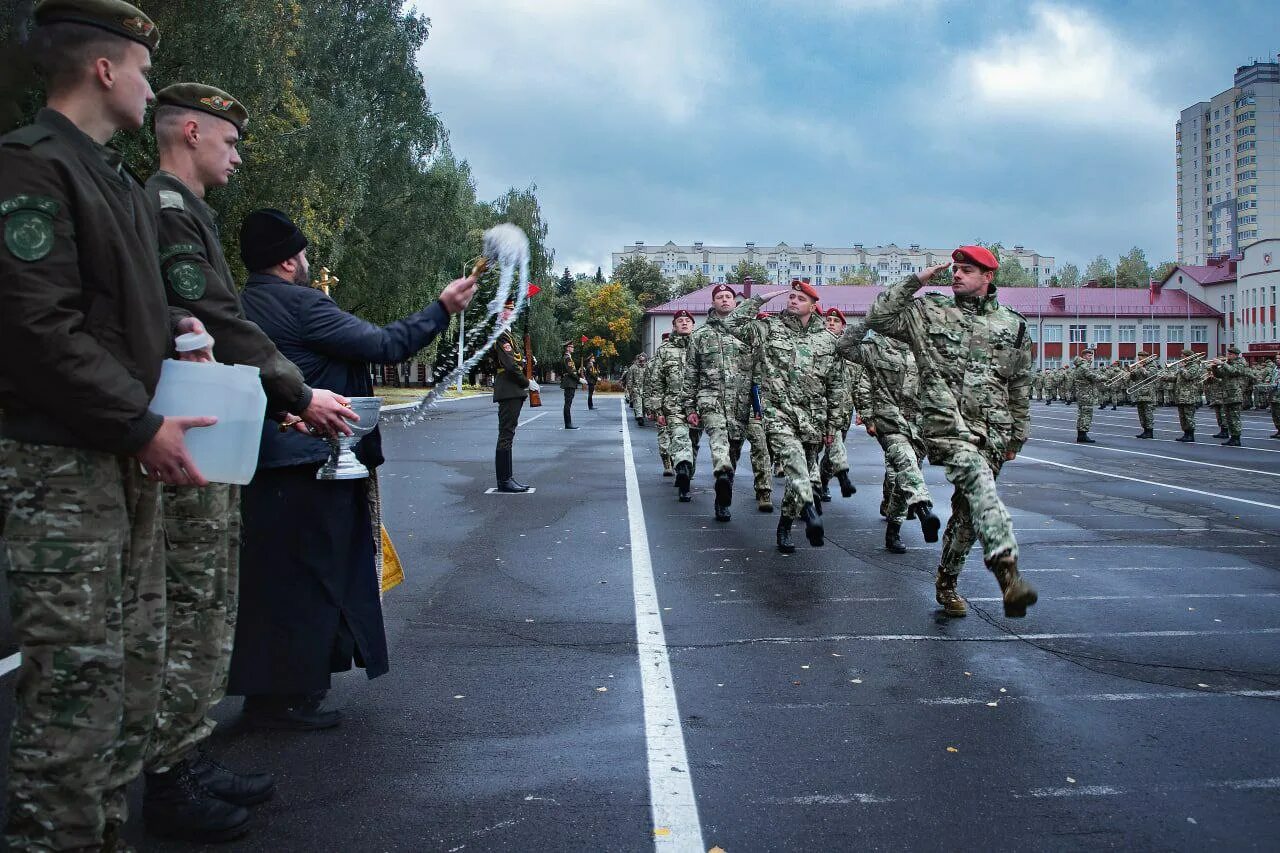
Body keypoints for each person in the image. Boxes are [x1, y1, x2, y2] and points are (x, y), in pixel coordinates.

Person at [0, 3, 223, 849]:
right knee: (70, 705)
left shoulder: (113, 181)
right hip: (64, 469)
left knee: (125, 686)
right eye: (142, 69)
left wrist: (182, 339)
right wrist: (139, 423)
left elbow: (127, 313)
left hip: (116, 460)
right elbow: (33, 328)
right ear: (104, 70)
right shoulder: (30, 167)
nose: (149, 85)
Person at [141, 82, 355, 841]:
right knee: (188, 604)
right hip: (182, 427)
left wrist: (286, 398)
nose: (236, 155)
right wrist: (300, 391)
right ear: (191, 131)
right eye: (229, 142)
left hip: (203, 419)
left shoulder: (186, 211)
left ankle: (184, 759)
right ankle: (170, 775)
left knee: (204, 602)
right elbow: (217, 322)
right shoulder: (167, 209)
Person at [228, 209, 477, 728]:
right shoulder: (303, 305)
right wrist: (442, 307)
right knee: (316, 580)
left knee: (272, 581)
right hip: (315, 463)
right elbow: (385, 346)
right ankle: (292, 697)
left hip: (265, 464)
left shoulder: (240, 305)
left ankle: (265, 693)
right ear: (289, 259)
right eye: (302, 252)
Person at [865, 246, 1036, 618]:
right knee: (980, 488)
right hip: (945, 426)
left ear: (988, 277)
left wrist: (1017, 435)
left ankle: (947, 581)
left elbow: (1020, 385)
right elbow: (878, 318)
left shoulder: (1013, 324)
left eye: (966, 270)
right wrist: (917, 280)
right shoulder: (930, 311)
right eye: (954, 269)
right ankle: (1009, 575)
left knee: (968, 515)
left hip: (993, 430)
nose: (956, 275)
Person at [724, 281, 842, 553]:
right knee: (795, 462)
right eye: (791, 296)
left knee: (797, 475)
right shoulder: (769, 328)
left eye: (800, 298)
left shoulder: (827, 340)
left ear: (813, 306)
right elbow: (732, 323)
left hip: (813, 418)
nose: (793, 301)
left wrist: (833, 425)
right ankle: (810, 511)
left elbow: (836, 385)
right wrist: (761, 299)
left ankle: (786, 523)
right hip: (777, 413)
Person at [838, 323, 940, 558]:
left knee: (902, 480)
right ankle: (924, 509)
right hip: (891, 422)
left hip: (920, 426)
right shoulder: (877, 347)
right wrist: (868, 321)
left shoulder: (927, 348)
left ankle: (893, 530)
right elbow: (844, 347)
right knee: (905, 463)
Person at [684, 285, 753, 522]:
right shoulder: (700, 335)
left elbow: (761, 371)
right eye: (719, 297)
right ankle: (722, 472)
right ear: (713, 303)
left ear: (735, 302)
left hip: (740, 403)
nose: (724, 300)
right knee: (718, 439)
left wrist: (759, 405)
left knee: (734, 449)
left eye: (728, 297)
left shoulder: (748, 332)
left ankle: (723, 497)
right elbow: (691, 373)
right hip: (710, 399)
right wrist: (690, 408)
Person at [648, 310, 702, 502]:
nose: (684, 323)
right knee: (680, 440)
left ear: (693, 325)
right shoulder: (665, 350)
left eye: (688, 321)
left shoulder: (702, 347)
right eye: (680, 321)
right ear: (674, 326)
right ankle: (683, 476)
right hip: (673, 406)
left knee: (693, 442)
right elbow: (656, 381)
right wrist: (656, 409)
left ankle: (687, 471)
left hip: (697, 406)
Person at [818, 307, 859, 503]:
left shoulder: (851, 351)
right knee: (811, 449)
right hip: (818, 410)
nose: (831, 323)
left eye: (836, 321)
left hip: (841, 412)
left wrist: (863, 412)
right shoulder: (818, 346)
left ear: (843, 326)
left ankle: (823, 480)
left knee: (832, 449)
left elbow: (860, 383)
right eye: (828, 320)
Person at [493, 299, 532, 491]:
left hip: (512, 390)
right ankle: (504, 481)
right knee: (506, 435)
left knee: (508, 433)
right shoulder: (501, 335)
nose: (511, 313)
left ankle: (508, 478)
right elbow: (509, 366)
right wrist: (527, 382)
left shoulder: (508, 335)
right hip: (508, 390)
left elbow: (516, 362)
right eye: (508, 310)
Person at [645, 333, 675, 475]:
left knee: (672, 435)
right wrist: (650, 408)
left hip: (674, 405)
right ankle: (669, 464)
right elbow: (648, 387)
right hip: (661, 405)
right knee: (666, 434)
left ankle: (674, 464)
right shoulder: (653, 363)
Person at [1213, 346, 1251, 447]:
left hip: (1235, 394)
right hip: (1227, 394)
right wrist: (1214, 368)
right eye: (1228, 354)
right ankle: (1232, 437)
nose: (1227, 356)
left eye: (1230, 354)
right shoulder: (1229, 364)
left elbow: (1234, 371)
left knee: (1235, 418)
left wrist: (1222, 363)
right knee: (1229, 418)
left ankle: (1236, 438)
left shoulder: (1241, 363)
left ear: (1235, 355)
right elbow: (1220, 375)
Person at [1171, 349, 1206, 442]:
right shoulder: (1185, 366)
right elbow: (1177, 378)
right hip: (1181, 395)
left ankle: (1190, 435)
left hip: (1189, 395)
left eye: (1183, 356)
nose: (1181, 358)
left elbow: (1189, 376)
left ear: (1188, 357)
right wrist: (1165, 378)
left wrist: (1182, 368)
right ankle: (1185, 433)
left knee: (1189, 416)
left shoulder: (1194, 366)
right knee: (1182, 417)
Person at [1071, 346, 1100, 443]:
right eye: (1089, 356)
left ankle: (1081, 434)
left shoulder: (1079, 366)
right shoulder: (1084, 366)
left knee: (1081, 414)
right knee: (1086, 414)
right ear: (1083, 356)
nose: (1090, 358)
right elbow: (1093, 376)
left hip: (1081, 394)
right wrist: (1104, 377)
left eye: (1091, 356)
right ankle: (1083, 435)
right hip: (1086, 394)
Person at [1128, 351, 1159, 438]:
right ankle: (1144, 430)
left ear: (1146, 357)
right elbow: (1134, 379)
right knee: (1141, 413)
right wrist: (1132, 373)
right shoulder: (1139, 365)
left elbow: (1151, 376)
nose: (1139, 360)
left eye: (1141, 358)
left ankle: (1149, 431)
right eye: (1138, 358)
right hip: (1139, 392)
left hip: (1148, 392)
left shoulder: (1152, 365)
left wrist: (1142, 369)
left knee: (1148, 412)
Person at [560, 341, 581, 429]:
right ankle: (568, 424)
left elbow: (572, 370)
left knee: (568, 403)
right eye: (571, 347)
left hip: (570, 381)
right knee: (568, 403)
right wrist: (579, 379)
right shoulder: (567, 358)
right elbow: (571, 371)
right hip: (569, 382)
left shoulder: (568, 358)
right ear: (567, 348)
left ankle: (568, 423)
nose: (573, 348)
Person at [623, 353, 647, 427]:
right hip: (636, 388)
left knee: (644, 404)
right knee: (638, 403)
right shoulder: (633, 368)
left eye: (643, 360)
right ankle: (640, 417)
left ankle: (641, 415)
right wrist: (630, 389)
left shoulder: (648, 367)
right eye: (641, 360)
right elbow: (629, 379)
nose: (642, 362)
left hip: (646, 388)